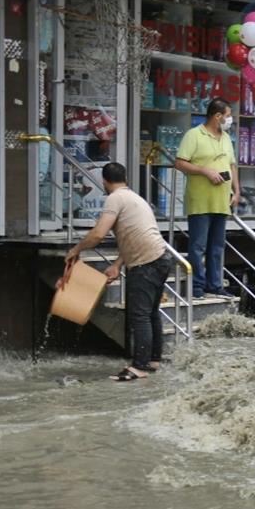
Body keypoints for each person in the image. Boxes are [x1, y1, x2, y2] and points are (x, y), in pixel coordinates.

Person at [63, 162, 174, 381]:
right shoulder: (134, 197)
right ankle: (153, 360)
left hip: (146, 263)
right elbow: (132, 235)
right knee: (151, 312)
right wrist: (117, 265)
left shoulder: (114, 198)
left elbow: (98, 234)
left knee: (139, 315)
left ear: (105, 181)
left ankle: (139, 367)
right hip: (160, 257)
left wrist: (76, 249)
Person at [175, 98, 239, 299]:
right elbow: (180, 163)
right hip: (200, 200)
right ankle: (196, 287)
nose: (230, 120)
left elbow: (232, 165)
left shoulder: (226, 138)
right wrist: (204, 171)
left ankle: (215, 284)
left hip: (222, 200)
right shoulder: (194, 135)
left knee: (217, 246)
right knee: (198, 245)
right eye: (228, 116)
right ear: (217, 116)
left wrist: (237, 190)